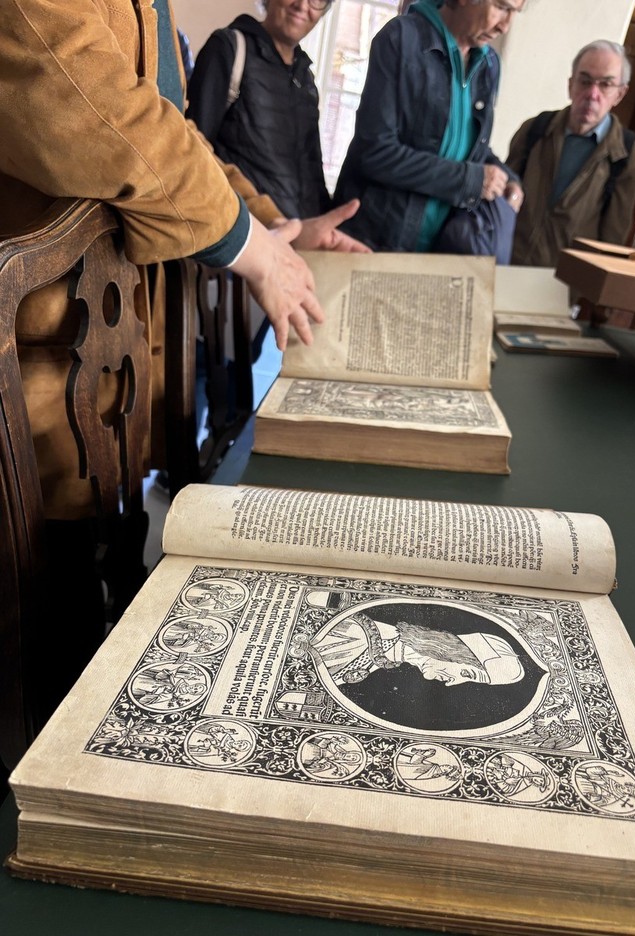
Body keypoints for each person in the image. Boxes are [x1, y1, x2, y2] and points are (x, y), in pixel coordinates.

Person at [0, 0, 366, 721]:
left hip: (101, 383)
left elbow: (175, 134)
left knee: (97, 621)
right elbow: (87, 106)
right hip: (30, 400)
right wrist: (251, 244)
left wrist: (270, 227)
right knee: (40, 649)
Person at [332, 0, 526, 253]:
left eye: (515, 12)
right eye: (502, 7)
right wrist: (469, 180)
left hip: (442, 249)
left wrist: (508, 179)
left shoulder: (490, 64)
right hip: (372, 243)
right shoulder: (401, 38)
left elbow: (469, 147)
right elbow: (375, 152)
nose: (506, 25)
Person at [187, 0, 334, 220]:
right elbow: (194, 150)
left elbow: (313, 172)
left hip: (296, 238)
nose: (303, 6)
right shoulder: (229, 47)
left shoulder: (306, 80)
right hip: (243, 231)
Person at [506, 40, 635, 268]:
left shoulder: (625, 154)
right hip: (507, 265)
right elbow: (501, 199)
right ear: (571, 85)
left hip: (562, 284)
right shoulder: (535, 129)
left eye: (605, 85)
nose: (592, 94)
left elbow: (613, 237)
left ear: (620, 94)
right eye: (585, 81)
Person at [310, 611, 525, 687]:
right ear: (451, 650)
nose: (452, 683)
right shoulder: (358, 633)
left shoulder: (381, 657)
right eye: (467, 673)